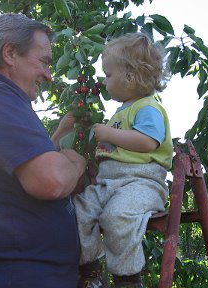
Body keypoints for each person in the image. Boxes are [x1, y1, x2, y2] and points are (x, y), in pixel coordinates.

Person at [0, 13, 86, 287]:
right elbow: (51, 181)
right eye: (44, 62)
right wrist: (74, 161)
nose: (49, 75)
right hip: (17, 275)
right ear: (10, 53)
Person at [74, 33, 173, 288]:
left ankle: (127, 279)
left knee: (117, 216)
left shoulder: (148, 108)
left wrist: (109, 134)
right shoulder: (123, 111)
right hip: (110, 185)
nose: (104, 82)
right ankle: (90, 270)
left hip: (141, 184)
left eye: (108, 75)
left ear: (130, 76)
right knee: (79, 210)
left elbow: (147, 142)